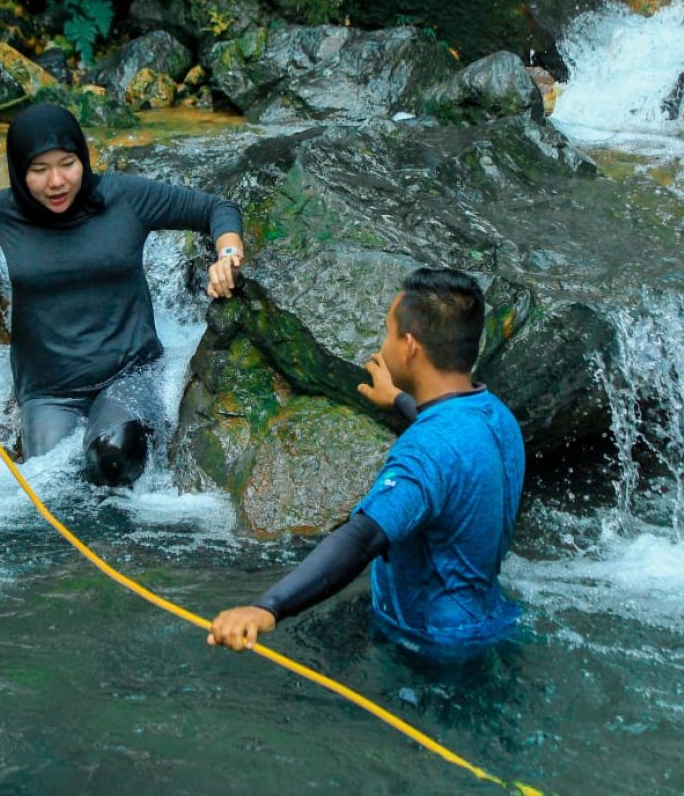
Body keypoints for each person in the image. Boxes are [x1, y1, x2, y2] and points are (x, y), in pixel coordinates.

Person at [0, 102, 244, 487]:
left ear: (82, 157)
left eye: (67, 163)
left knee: (114, 462)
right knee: (53, 489)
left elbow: (215, 208)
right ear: (19, 172)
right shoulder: (2, 213)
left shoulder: (125, 197)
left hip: (128, 373)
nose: (57, 182)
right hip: (49, 391)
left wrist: (227, 256)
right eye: (39, 170)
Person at [208, 268, 525, 661]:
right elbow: (453, 450)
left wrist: (267, 607)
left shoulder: (423, 452)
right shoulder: (494, 415)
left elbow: (361, 539)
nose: (383, 344)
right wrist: (397, 400)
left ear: (410, 345)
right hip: (490, 617)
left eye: (389, 332)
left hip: (429, 645)